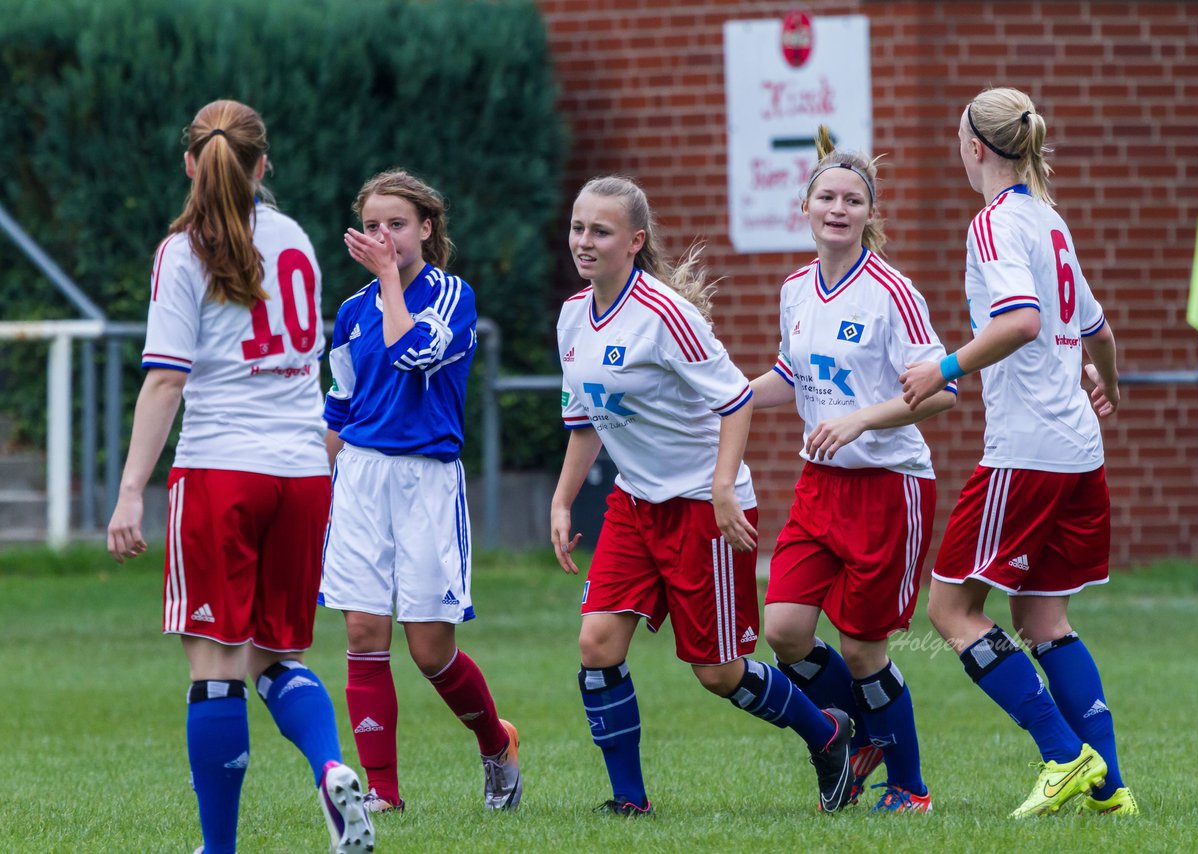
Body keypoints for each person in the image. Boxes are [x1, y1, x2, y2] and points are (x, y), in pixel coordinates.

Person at [106, 99, 374, 854]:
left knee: (215, 663)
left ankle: (218, 848)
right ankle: (329, 768)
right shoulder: (296, 240)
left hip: (222, 471)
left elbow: (164, 382)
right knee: (273, 657)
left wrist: (131, 489)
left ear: (191, 163)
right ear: (263, 165)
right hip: (301, 475)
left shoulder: (183, 249)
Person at [550, 175, 856, 817]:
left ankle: (829, 735)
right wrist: (561, 501)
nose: (584, 241)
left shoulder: (665, 316)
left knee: (719, 672)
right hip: (634, 506)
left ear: (634, 242)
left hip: (702, 507)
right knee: (596, 644)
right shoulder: (573, 315)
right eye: (578, 227)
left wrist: (722, 489)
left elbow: (735, 399)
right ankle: (629, 802)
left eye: (599, 231)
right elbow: (586, 419)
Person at [900, 86, 1137, 817]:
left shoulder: (996, 221)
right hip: (1077, 448)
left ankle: (1064, 756)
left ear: (974, 147)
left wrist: (941, 367)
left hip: (1027, 451)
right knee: (1043, 622)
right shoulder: (1050, 219)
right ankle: (1110, 789)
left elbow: (1023, 323)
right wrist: (1110, 388)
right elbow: (1096, 329)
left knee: (950, 610)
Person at [747, 127, 957, 813]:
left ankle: (910, 788)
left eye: (853, 200)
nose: (838, 208)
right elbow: (789, 372)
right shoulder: (795, 289)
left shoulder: (892, 293)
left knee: (863, 649)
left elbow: (944, 390)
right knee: (782, 629)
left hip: (889, 486)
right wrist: (727, 397)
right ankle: (863, 735)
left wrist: (863, 418)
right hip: (819, 485)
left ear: (870, 214)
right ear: (805, 207)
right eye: (827, 197)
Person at [321, 169, 520, 815]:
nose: (385, 236)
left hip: (426, 483)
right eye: (373, 225)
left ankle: (497, 745)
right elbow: (340, 408)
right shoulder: (350, 314)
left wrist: (387, 278)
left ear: (427, 229)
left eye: (398, 225)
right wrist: (318, 490)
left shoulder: (452, 297)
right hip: (361, 479)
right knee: (363, 631)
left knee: (430, 647)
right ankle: (384, 793)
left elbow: (413, 353)